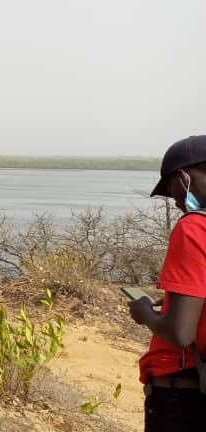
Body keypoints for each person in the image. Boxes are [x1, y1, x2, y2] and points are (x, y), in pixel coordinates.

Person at [129, 135, 206, 432]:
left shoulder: (194, 228)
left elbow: (179, 333)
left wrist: (145, 313)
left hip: (185, 393)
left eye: (171, 190)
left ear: (183, 177)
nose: (175, 202)